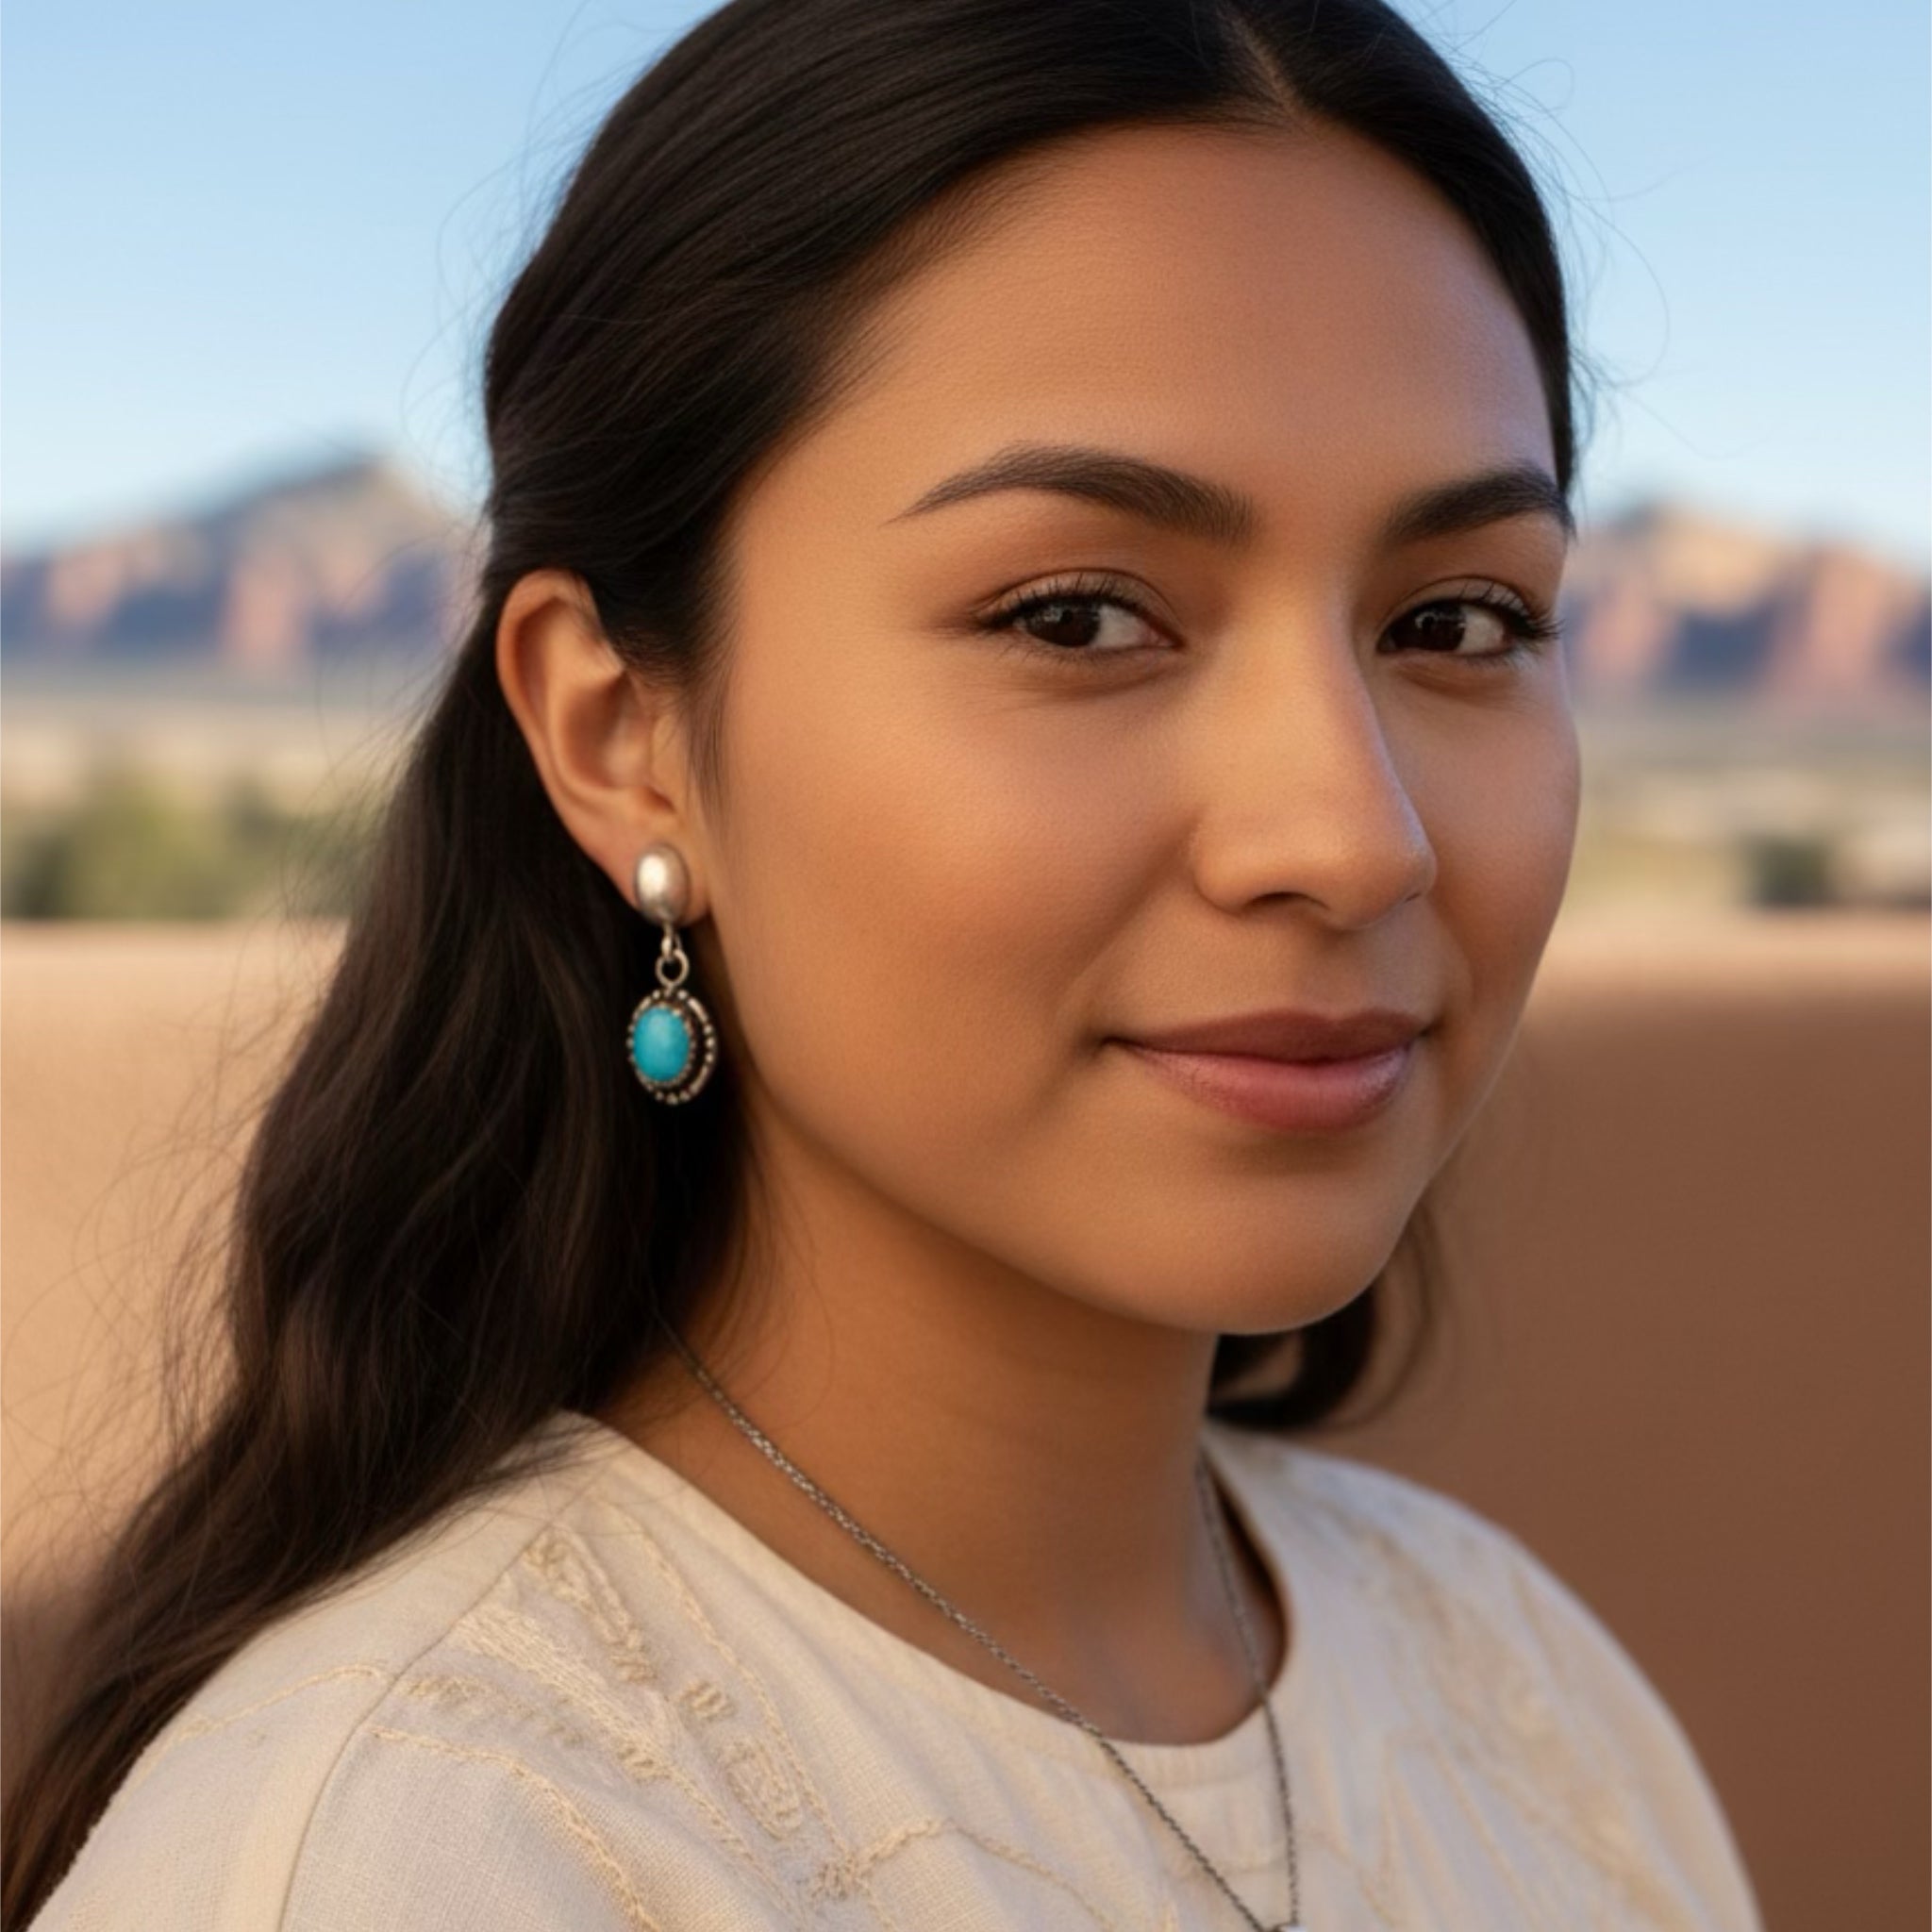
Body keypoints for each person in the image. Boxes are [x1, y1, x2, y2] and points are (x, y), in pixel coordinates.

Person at [8, 1, 1766, 1926]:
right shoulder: (421, 1853)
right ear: (619, 732)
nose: (1354, 836)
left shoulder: (1512, 1686)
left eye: (1460, 620)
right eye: (1076, 616)